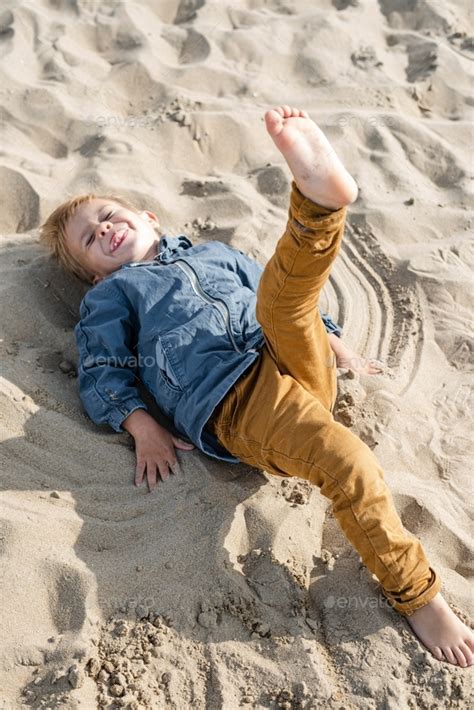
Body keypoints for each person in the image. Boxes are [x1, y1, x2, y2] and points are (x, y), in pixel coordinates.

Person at [40, 105, 473, 667]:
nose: (105, 228)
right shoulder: (114, 296)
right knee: (349, 464)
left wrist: (338, 350)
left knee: (282, 297)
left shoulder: (213, 253)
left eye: (109, 214)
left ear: (149, 217)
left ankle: (319, 200)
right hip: (235, 397)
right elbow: (104, 368)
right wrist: (142, 426)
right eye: (91, 237)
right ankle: (418, 594)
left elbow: (290, 302)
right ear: (95, 273)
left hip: (286, 350)